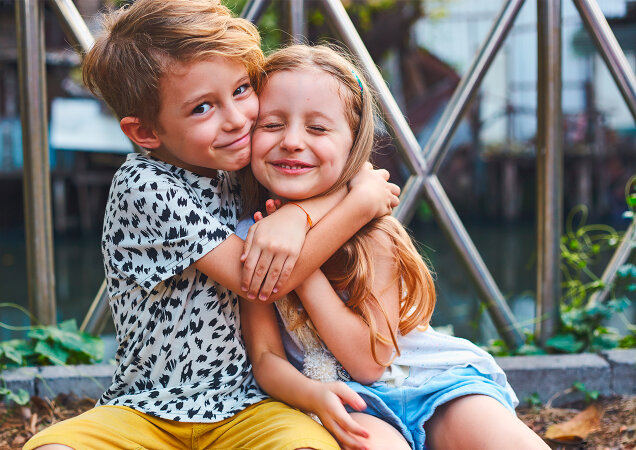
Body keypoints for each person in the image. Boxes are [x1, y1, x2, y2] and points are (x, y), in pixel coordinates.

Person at [23, 2, 401, 449]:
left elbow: (320, 175)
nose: (238, 118)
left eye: (242, 89)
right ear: (146, 132)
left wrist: (319, 205)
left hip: (249, 405)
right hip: (148, 409)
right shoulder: (144, 185)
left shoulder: (235, 170)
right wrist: (355, 203)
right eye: (203, 107)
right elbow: (254, 279)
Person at [236, 44, 549, 450]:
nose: (293, 141)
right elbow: (266, 359)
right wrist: (310, 395)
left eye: (317, 128)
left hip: (428, 383)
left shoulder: (372, 232)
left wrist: (303, 260)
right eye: (272, 124)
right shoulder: (251, 235)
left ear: (353, 145)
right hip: (339, 402)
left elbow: (369, 361)